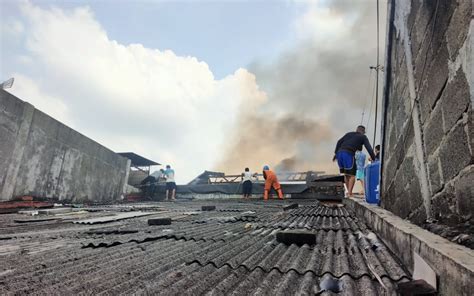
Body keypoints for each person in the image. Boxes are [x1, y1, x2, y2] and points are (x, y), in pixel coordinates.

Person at [333, 125, 376, 197]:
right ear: (363, 132)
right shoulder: (363, 137)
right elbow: (369, 148)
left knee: (346, 174)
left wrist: (335, 154)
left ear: (356, 130)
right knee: (352, 175)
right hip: (348, 154)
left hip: (339, 154)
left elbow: (339, 141)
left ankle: (348, 192)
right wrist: (374, 159)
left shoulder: (349, 134)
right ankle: (350, 193)